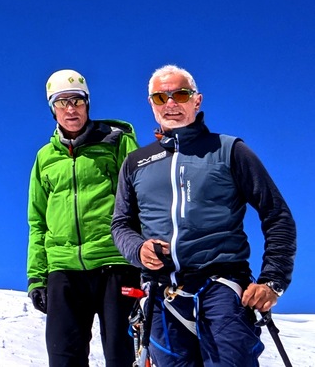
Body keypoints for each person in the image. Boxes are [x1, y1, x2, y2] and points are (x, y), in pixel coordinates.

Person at [111, 64, 296, 367]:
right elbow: (121, 224)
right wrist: (138, 248)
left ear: (197, 100)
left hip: (222, 289)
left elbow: (276, 214)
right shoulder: (136, 163)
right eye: (160, 97)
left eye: (181, 94)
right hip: (161, 294)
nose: (171, 103)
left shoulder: (229, 150)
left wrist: (272, 281)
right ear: (151, 104)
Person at [26, 68, 140, 367]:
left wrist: (145, 257)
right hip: (63, 269)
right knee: (63, 358)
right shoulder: (45, 158)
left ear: (87, 103)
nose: (70, 109)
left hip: (115, 263)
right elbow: (37, 221)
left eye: (76, 101)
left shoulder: (116, 142)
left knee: (122, 356)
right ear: (52, 109)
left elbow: (142, 199)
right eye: (61, 102)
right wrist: (37, 276)